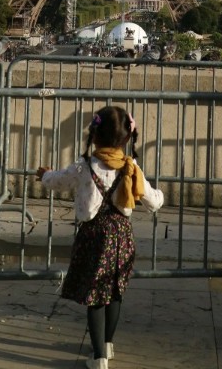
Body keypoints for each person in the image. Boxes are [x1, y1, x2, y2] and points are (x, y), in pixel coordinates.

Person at [37, 106, 164, 369]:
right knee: (114, 292)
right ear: (127, 138)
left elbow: (58, 181)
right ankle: (107, 344)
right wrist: (159, 194)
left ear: (94, 136)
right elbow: (153, 201)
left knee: (94, 296)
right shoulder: (131, 167)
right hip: (121, 236)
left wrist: (44, 175)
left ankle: (98, 358)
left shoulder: (84, 166)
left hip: (93, 236)